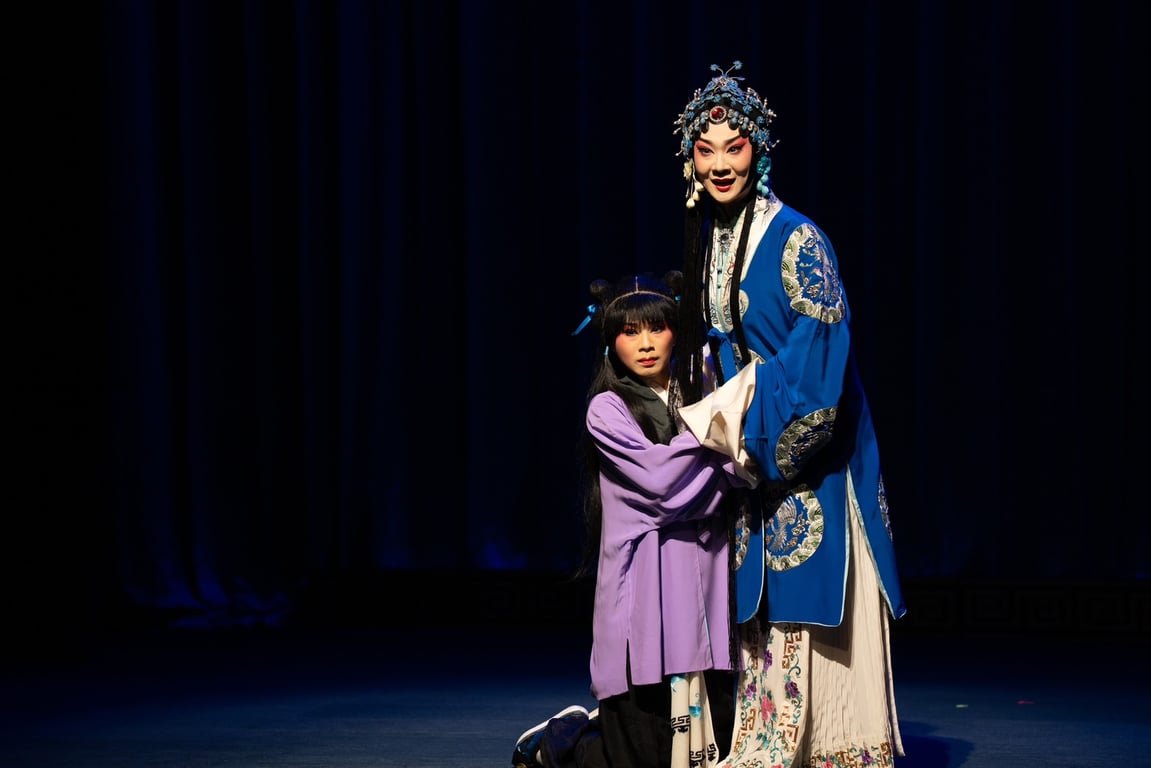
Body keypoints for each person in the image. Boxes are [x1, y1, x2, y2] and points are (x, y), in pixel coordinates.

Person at [671, 62, 908, 767]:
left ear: (760, 151)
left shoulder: (800, 239)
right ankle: (766, 743)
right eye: (705, 150)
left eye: (734, 148)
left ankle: (835, 749)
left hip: (806, 450)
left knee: (808, 595)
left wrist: (752, 435)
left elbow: (820, 357)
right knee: (758, 605)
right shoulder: (710, 238)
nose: (719, 165)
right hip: (747, 448)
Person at [512, 272, 753, 768]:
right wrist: (718, 447)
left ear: (676, 331)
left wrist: (723, 459)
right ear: (611, 341)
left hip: (702, 589)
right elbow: (663, 485)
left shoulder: (701, 390)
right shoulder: (607, 409)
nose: (645, 344)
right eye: (629, 332)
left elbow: (741, 467)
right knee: (638, 758)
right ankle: (557, 742)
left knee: (716, 748)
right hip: (645, 591)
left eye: (657, 328)